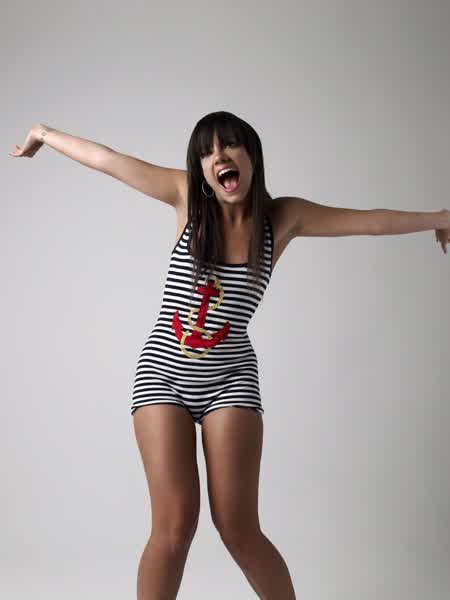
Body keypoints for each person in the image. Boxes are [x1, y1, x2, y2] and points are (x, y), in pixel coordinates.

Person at [10, 111, 449, 600]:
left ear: (251, 156)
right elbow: (108, 160)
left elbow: (369, 222)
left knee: (238, 527)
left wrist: (439, 218)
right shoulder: (185, 199)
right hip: (162, 375)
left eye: (230, 145)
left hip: (231, 379)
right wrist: (44, 134)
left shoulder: (283, 218)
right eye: (206, 152)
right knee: (174, 526)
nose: (218, 156)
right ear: (201, 171)